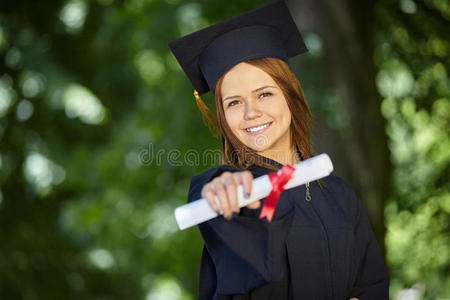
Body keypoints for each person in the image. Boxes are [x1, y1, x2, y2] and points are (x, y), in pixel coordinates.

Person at [168, 1, 389, 299]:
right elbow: (214, 194)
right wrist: (221, 186)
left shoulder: (342, 197)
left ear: (291, 95)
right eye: (233, 102)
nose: (250, 112)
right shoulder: (241, 198)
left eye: (264, 94)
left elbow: (370, 288)